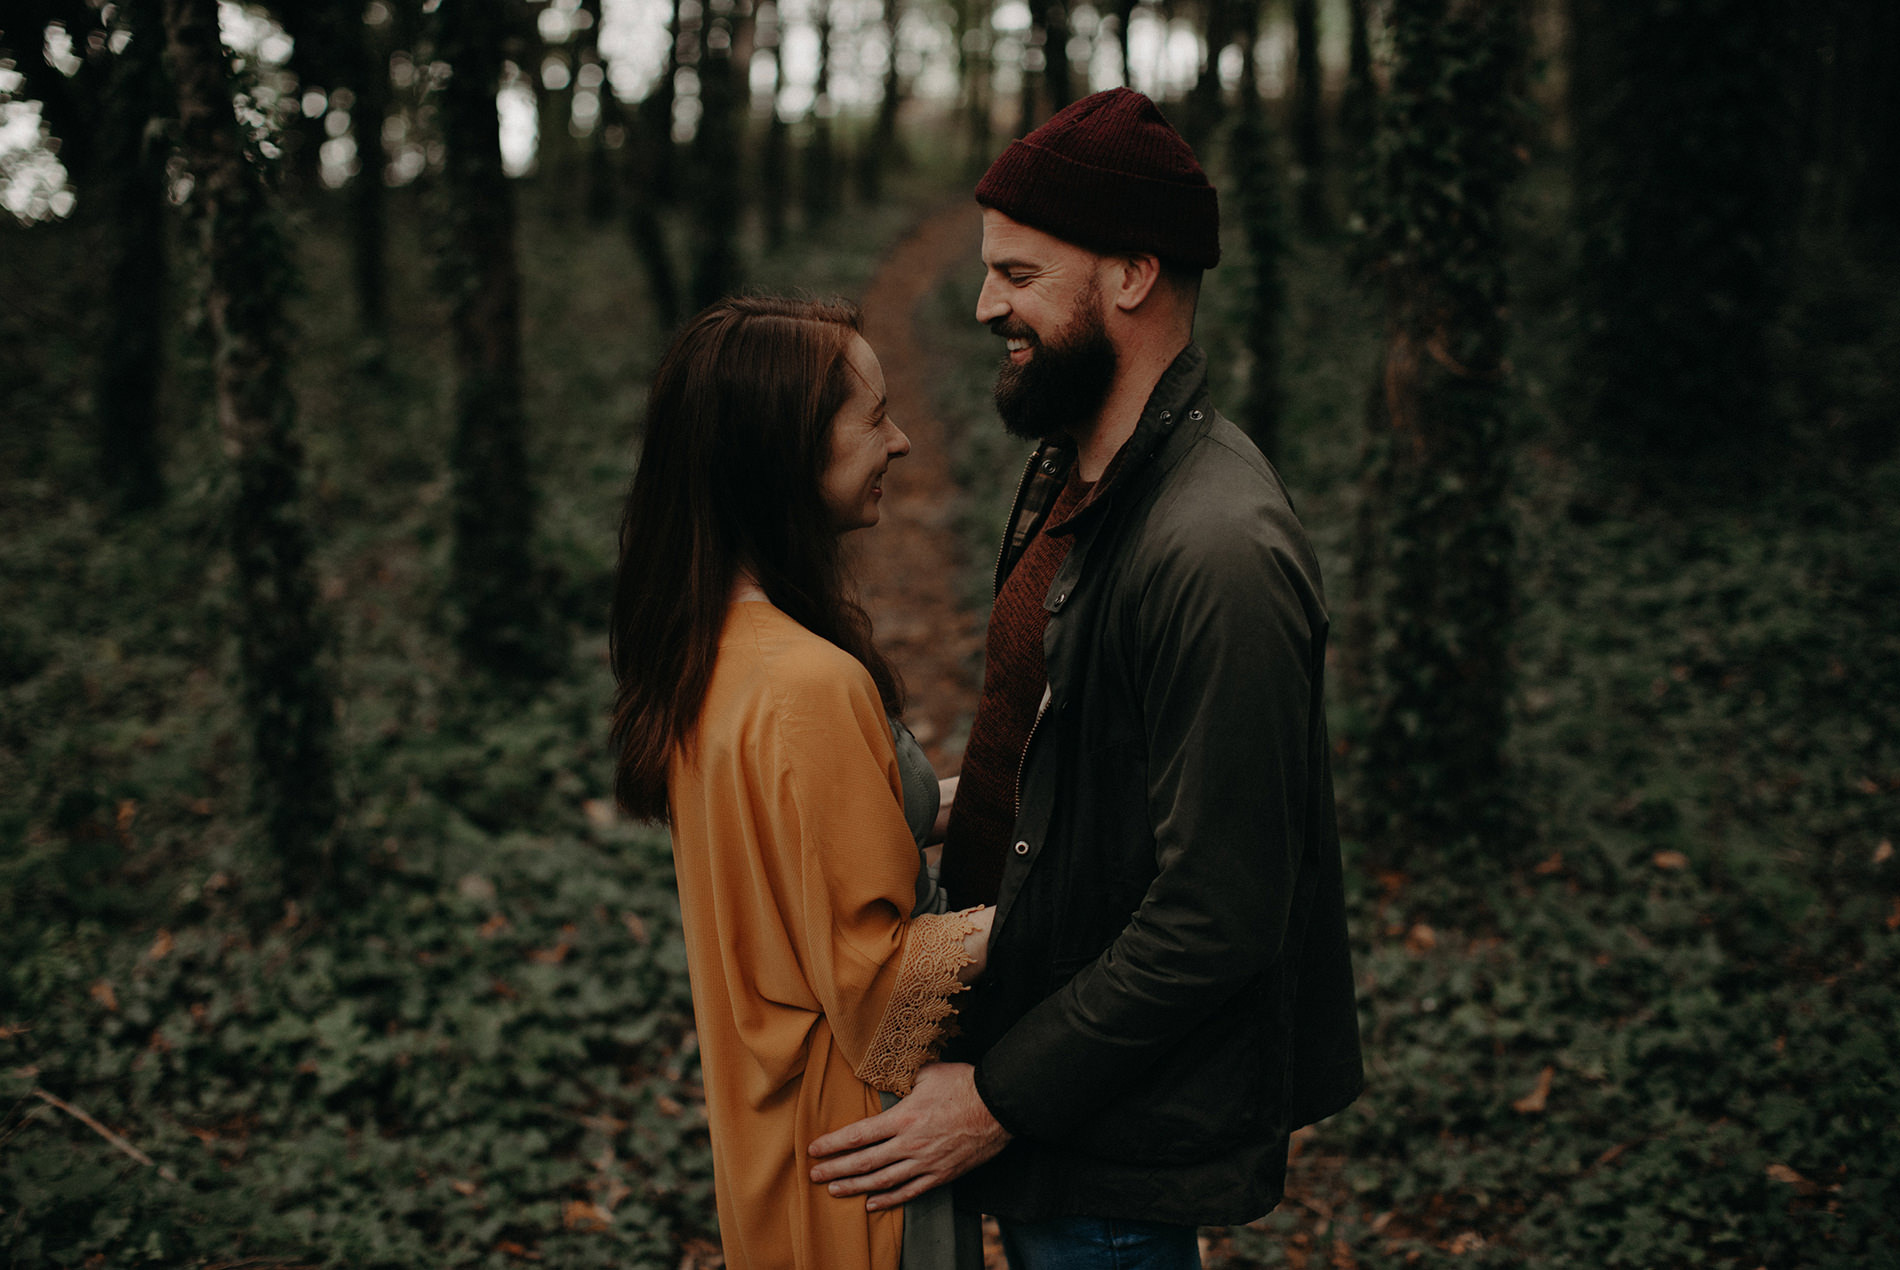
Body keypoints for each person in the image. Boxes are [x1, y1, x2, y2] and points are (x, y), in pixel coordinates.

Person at [807, 89, 1365, 1268]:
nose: (980, 304)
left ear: (1130, 275)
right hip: (1054, 1086)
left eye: (1016, 272)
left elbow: (1219, 912)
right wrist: (958, 795)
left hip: (1110, 1135)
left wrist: (998, 1095)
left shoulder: (1217, 547)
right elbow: (1090, 741)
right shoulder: (1083, 468)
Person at [609, 296, 992, 1270]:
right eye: (873, 417)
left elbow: (813, 846)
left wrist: (1009, 796)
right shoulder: (807, 687)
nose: (901, 441)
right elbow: (884, 987)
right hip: (860, 1174)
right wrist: (1085, 880)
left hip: (774, 1152)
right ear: (781, 451)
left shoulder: (709, 650)